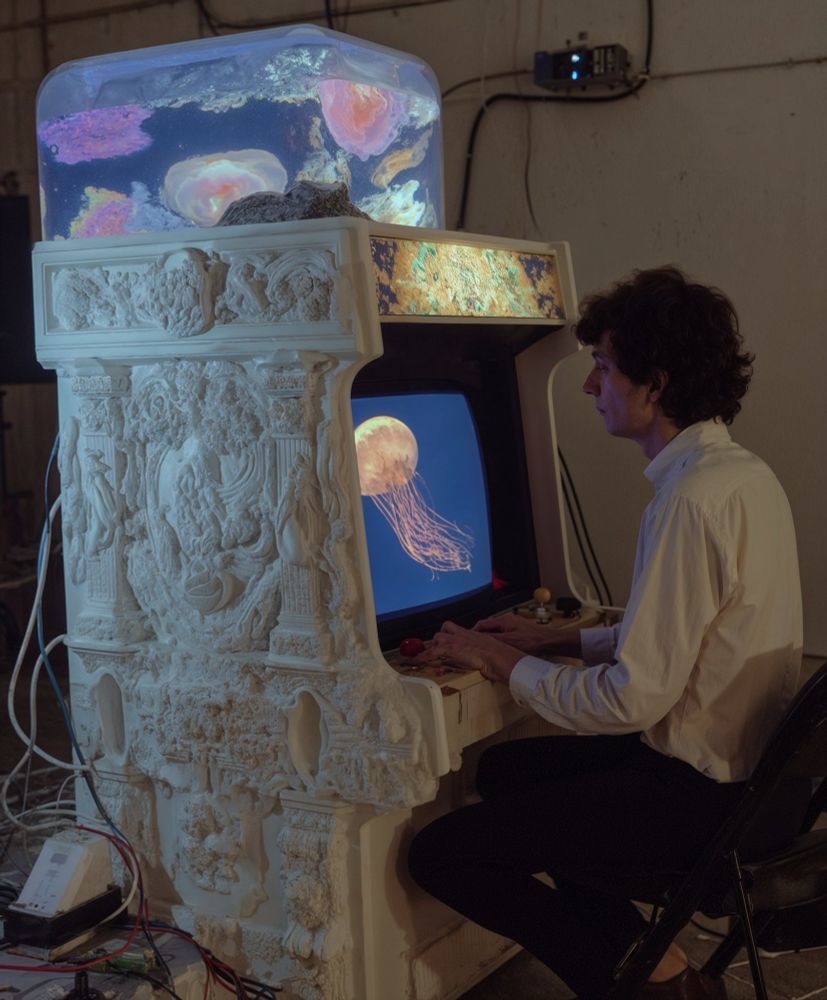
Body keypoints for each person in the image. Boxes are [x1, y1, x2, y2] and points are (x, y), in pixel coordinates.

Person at [407, 266, 805, 1000]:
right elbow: (686, 641)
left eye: (602, 367)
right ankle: (653, 962)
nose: (590, 387)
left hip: (696, 801)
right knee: (501, 775)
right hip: (754, 788)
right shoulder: (738, 475)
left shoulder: (688, 502)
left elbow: (631, 703)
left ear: (652, 385)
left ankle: (637, 986)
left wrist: (495, 658)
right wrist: (553, 643)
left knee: (443, 855)